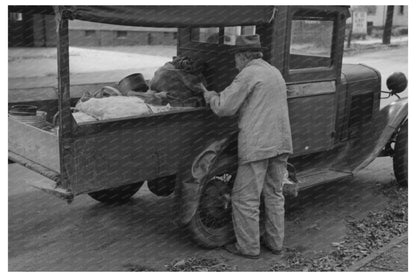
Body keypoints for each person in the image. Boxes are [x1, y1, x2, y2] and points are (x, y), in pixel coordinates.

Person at [199, 34, 293, 259]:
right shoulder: (273, 71)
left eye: (236, 58)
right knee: (274, 193)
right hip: (281, 142)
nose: (235, 63)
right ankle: (275, 242)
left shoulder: (248, 74)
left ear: (242, 57)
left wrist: (209, 95)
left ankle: (249, 248)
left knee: (245, 198)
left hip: (259, 145)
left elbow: (224, 107)